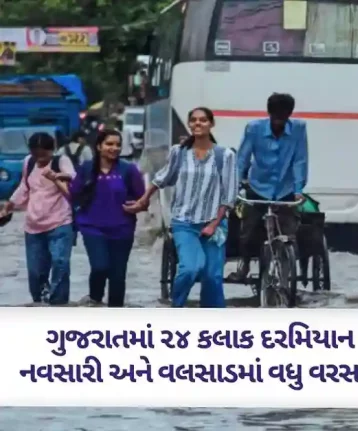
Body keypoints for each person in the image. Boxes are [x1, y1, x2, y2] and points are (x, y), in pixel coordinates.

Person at [124, 107, 237, 308]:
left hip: (215, 225)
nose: (198, 124)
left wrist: (214, 223)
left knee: (213, 276)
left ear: (211, 124)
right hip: (184, 223)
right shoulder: (179, 152)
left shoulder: (225, 156)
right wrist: (143, 200)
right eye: (193, 120)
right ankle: (177, 308)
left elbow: (228, 196)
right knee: (190, 268)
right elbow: (162, 178)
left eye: (203, 120)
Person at [228, 93, 307, 282]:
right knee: (248, 232)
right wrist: (235, 186)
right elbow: (242, 159)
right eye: (276, 117)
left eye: (284, 117)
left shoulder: (299, 129)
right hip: (258, 187)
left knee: (289, 231)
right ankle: (245, 265)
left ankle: (286, 272)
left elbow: (300, 160)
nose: (279, 122)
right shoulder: (254, 129)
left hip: (285, 189)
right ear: (269, 113)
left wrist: (298, 189)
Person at [69, 130, 145, 307]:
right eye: (109, 144)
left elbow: (142, 199)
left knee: (118, 276)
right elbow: (74, 195)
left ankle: (115, 316)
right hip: (92, 227)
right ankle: (95, 300)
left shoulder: (129, 170)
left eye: (118, 145)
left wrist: (139, 205)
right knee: (100, 266)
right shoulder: (87, 168)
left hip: (122, 229)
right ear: (99, 146)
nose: (114, 148)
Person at [0, 133, 75, 305]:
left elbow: (72, 186)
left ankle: (59, 302)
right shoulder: (29, 162)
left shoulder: (61, 162)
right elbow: (24, 187)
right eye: (36, 154)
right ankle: (40, 301)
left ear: (52, 150)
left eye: (44, 154)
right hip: (33, 225)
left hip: (60, 222)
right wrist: (8, 206)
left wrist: (56, 177)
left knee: (60, 263)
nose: (40, 158)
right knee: (35, 271)